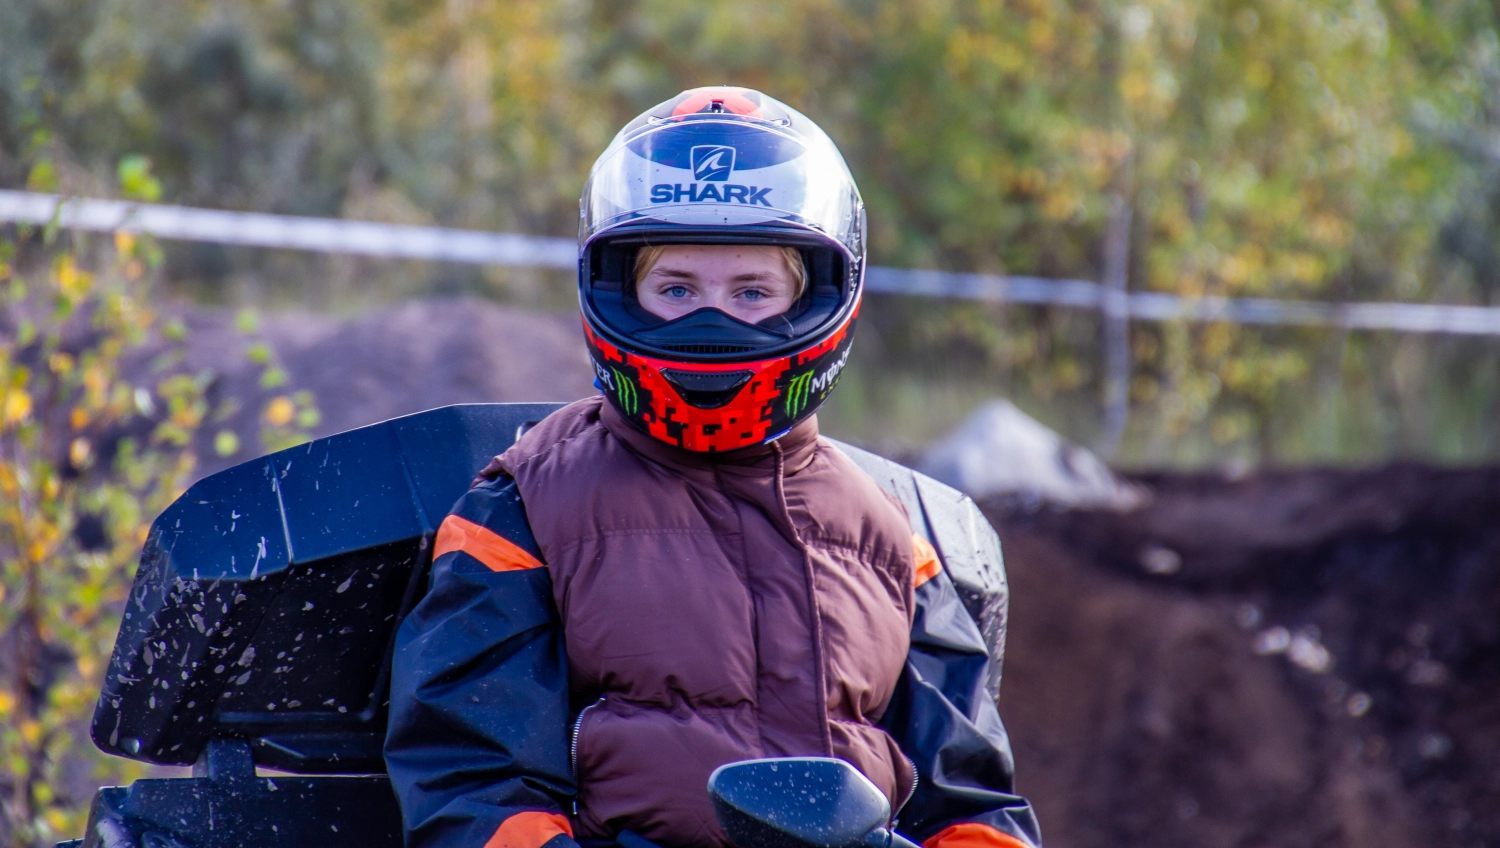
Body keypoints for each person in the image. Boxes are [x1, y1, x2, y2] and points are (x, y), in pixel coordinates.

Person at [383, 87, 1042, 848]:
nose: (710, 324)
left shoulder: (897, 534)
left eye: (752, 292)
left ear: (825, 297)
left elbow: (970, 807)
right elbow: (471, 788)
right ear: (615, 292)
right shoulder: (525, 507)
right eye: (676, 290)